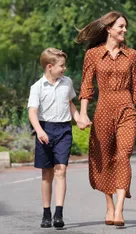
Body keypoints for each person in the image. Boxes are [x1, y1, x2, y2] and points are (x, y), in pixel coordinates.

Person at [75, 11, 136, 227]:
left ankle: (119, 209)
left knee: (123, 156)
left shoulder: (132, 55)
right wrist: (82, 114)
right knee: (105, 157)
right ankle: (109, 206)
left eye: (125, 27)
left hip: (127, 109)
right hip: (103, 110)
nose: (125, 30)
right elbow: (87, 86)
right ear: (108, 29)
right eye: (121, 27)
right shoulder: (93, 55)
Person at [28, 48, 82, 228]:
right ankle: (46, 213)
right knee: (47, 174)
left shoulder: (67, 82)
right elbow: (32, 112)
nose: (64, 69)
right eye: (61, 66)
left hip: (64, 130)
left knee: (61, 170)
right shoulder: (37, 87)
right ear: (49, 67)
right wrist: (39, 131)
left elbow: (71, 104)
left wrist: (79, 118)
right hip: (45, 129)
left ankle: (59, 212)